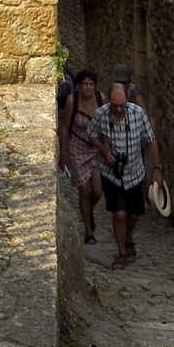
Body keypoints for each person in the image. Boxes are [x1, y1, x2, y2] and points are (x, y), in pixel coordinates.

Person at [87, 79, 163, 268]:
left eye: (122, 106)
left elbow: (151, 140)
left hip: (135, 172)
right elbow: (92, 135)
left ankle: (128, 237)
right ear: (109, 103)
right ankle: (121, 252)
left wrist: (157, 169)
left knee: (134, 214)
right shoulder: (101, 114)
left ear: (127, 101)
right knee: (119, 213)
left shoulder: (138, 114)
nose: (119, 110)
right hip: (111, 173)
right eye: (115, 106)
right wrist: (105, 152)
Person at [58, 68, 104, 240]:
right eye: (85, 84)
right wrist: (63, 154)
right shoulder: (72, 101)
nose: (88, 87)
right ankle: (88, 231)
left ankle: (88, 212)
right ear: (79, 86)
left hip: (95, 148)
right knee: (84, 189)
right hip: (77, 147)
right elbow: (64, 127)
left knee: (97, 191)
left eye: (91, 84)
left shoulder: (101, 99)